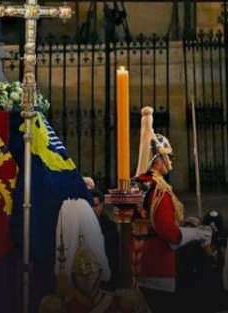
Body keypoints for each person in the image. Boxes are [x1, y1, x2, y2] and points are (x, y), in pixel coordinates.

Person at [132, 106, 213, 312]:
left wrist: (184, 225)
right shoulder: (159, 189)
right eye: (166, 156)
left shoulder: (142, 183)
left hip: (141, 261)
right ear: (157, 159)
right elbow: (169, 233)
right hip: (158, 263)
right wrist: (195, 233)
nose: (170, 161)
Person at [91, 189, 119, 290]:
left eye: (95, 205)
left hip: (105, 277)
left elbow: (113, 257)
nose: (92, 209)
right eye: (89, 206)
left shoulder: (110, 227)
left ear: (102, 205)